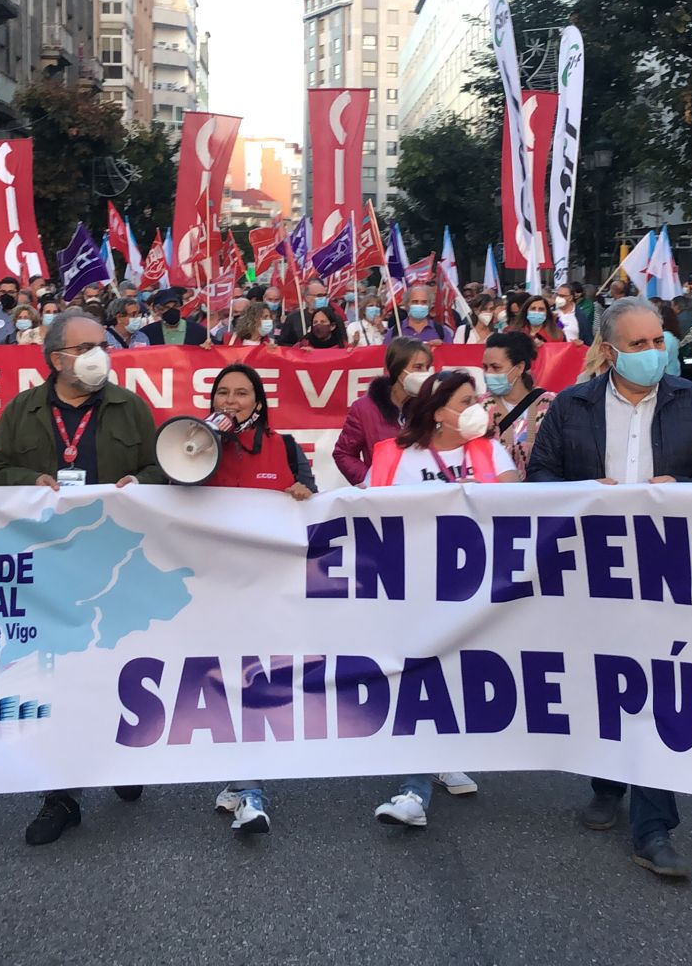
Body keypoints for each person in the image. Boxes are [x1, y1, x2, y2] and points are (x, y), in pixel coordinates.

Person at [525, 297, 692, 879]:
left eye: (659, 340)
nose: (653, 352)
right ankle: (607, 781)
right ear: (610, 351)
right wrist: (586, 491)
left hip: (670, 566)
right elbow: (540, 476)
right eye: (638, 345)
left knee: (662, 681)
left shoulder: (691, 401)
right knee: (607, 677)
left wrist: (684, 486)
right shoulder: (573, 405)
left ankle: (654, 825)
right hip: (595, 568)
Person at [0, 309, 164, 844]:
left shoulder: (130, 407)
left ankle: (122, 763)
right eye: (87, 347)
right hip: (50, 567)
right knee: (58, 675)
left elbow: (160, 468)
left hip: (117, 562)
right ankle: (61, 795)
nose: (100, 355)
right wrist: (29, 479)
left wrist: (140, 480)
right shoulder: (24, 410)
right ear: (57, 358)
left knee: (117, 666)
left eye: (103, 344)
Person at [364, 369, 511, 829]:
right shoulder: (392, 456)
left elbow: (524, 509)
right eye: (467, 400)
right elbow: (364, 516)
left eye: (479, 399)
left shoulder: (489, 451)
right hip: (411, 591)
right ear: (439, 412)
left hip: (473, 591)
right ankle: (414, 788)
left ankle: (441, 756)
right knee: (420, 678)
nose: (478, 408)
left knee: (456, 676)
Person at [200, 362, 317, 837]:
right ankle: (246, 786)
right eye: (222, 393)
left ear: (258, 402)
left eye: (242, 394)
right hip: (214, 586)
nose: (231, 402)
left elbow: (315, 499)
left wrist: (303, 492)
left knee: (252, 682)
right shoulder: (195, 445)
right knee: (230, 682)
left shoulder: (283, 446)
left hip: (270, 587)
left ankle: (246, 789)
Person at [332, 338, 433, 487]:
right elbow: (343, 453)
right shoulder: (364, 409)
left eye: (427, 367)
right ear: (397, 370)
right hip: (384, 499)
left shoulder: (432, 406)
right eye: (418, 367)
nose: (424, 373)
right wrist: (369, 479)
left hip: (426, 492)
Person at [483, 332, 552, 467]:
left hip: (540, 486)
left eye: (496, 367)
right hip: (492, 487)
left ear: (520, 367)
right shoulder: (480, 406)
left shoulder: (549, 404)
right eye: (485, 367)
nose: (488, 373)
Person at [139, 288, 207, 346]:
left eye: (175, 306)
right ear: (157, 310)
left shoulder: (199, 331)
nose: (172, 310)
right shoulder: (147, 333)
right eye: (166, 307)